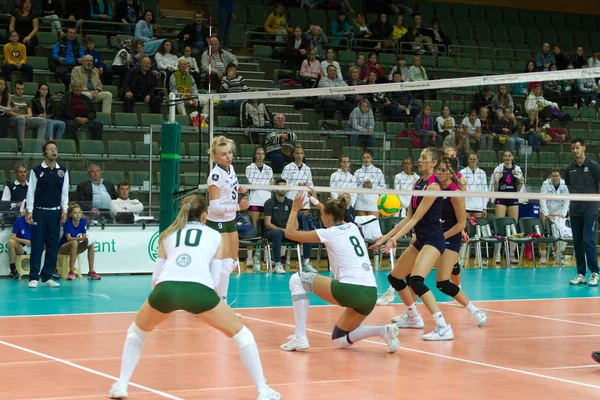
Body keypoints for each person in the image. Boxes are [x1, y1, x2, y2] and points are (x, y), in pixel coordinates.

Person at [107, 194, 280, 400]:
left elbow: (155, 279)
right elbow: (216, 281)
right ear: (204, 215)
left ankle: (122, 384)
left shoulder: (168, 234)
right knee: (243, 335)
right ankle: (262, 390)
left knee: (137, 332)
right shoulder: (215, 235)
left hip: (166, 288)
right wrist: (204, 307)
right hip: (200, 292)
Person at [279, 192, 400, 353]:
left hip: (349, 289)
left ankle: (299, 337)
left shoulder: (328, 233)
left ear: (329, 215)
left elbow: (289, 234)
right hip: (371, 293)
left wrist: (295, 209)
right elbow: (332, 211)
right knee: (339, 338)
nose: (321, 219)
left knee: (297, 279)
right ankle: (383, 331)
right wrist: (316, 200)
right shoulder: (353, 227)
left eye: (322, 215)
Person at [370, 147, 454, 341]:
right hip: (421, 239)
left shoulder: (434, 187)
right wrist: (385, 236)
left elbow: (416, 218)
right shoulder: (418, 182)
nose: (419, 159)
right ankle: (413, 317)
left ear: (433, 163)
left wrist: (395, 239)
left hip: (434, 238)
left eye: (424, 158)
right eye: (420, 156)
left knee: (416, 280)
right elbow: (407, 216)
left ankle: (443, 326)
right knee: (396, 278)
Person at [434, 157, 487, 326]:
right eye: (438, 170)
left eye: (444, 170)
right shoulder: (433, 189)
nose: (440, 173)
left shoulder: (455, 192)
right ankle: (411, 312)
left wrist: (443, 236)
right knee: (413, 276)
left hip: (450, 237)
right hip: (434, 235)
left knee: (442, 283)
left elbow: (461, 223)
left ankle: (475, 311)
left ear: (451, 172)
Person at [206, 136, 248, 303]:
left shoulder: (230, 169)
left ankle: (220, 301)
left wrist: (238, 188)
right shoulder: (215, 175)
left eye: (230, 153)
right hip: (217, 222)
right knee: (222, 264)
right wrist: (238, 207)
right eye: (223, 154)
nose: (228, 157)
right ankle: (217, 303)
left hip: (230, 219)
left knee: (231, 263)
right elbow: (215, 207)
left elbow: (229, 185)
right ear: (215, 157)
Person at [25, 141, 68, 288]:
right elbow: (30, 192)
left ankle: (47, 276)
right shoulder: (36, 171)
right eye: (50, 149)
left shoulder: (63, 171)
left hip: (55, 213)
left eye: (55, 149)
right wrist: (29, 211)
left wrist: (65, 210)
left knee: (52, 246)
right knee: (37, 245)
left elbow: (64, 193)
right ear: (44, 153)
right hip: (39, 212)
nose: (54, 151)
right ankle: (33, 277)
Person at [564, 138, 600, 287]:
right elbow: (569, 188)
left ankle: (595, 273)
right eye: (573, 148)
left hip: (590, 210)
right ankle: (581, 274)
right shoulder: (569, 169)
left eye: (577, 148)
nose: (575, 151)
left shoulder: (594, 166)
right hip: (575, 210)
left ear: (584, 148)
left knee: (588, 241)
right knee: (577, 243)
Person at [490, 150, 523, 264]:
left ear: (512, 157)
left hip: (513, 197)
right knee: (499, 226)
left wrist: (520, 181)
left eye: (509, 156)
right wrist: (497, 180)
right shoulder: (498, 169)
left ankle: (512, 254)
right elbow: (494, 188)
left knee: (514, 226)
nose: (507, 157)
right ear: (503, 157)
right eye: (505, 156)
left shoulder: (517, 169)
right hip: (501, 198)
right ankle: (498, 254)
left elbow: (519, 187)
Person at [245, 146, 274, 271]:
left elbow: (271, 184)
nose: (260, 155)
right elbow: (253, 183)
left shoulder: (269, 169)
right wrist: (266, 184)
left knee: (265, 230)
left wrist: (265, 184)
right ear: (255, 155)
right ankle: (250, 257)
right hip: (255, 202)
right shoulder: (249, 168)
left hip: (266, 202)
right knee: (253, 229)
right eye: (258, 153)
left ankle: (265, 256)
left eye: (262, 153)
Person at [58, 202, 101, 280]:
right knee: (74, 242)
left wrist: (86, 239)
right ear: (70, 215)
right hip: (63, 247)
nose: (78, 215)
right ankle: (71, 272)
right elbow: (69, 238)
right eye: (75, 213)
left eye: (79, 213)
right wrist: (81, 239)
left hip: (75, 247)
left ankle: (91, 272)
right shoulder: (67, 222)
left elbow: (84, 236)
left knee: (90, 244)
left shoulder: (83, 221)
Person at [539, 169, 569, 264]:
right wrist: (547, 214)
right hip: (546, 210)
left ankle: (558, 254)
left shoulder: (564, 185)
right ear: (550, 177)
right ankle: (543, 255)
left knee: (558, 232)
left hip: (559, 212)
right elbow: (542, 200)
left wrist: (563, 215)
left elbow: (567, 201)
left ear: (560, 177)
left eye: (557, 176)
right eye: (553, 176)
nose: (555, 177)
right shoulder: (545, 184)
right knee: (544, 232)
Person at [8, 80, 47, 145]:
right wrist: (21, 116)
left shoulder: (27, 100)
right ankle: (21, 144)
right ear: (14, 88)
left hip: (26, 118)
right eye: (18, 89)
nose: (20, 91)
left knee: (43, 121)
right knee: (21, 119)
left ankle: (39, 144)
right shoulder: (10, 98)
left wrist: (26, 116)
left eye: (22, 89)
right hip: (14, 119)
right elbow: (9, 112)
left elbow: (30, 114)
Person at [353, 149, 385, 218]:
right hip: (360, 203)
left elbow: (383, 189)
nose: (366, 160)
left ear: (371, 158)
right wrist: (362, 186)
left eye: (368, 157)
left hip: (373, 203)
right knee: (362, 226)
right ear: (362, 159)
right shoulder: (357, 172)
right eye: (364, 158)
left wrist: (371, 186)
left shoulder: (378, 171)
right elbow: (354, 190)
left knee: (373, 225)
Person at [459, 152, 488, 218]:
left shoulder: (482, 173)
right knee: (465, 226)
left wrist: (484, 207)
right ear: (468, 160)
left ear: (477, 160)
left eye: (474, 159)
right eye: (471, 159)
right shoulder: (462, 172)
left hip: (478, 206)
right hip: (466, 205)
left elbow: (485, 190)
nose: (473, 161)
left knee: (476, 227)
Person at [7, 214, 31, 279]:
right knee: (11, 242)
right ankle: (13, 269)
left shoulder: (38, 220)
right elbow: (12, 236)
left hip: (35, 246)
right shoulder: (19, 220)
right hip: (22, 247)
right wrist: (24, 241)